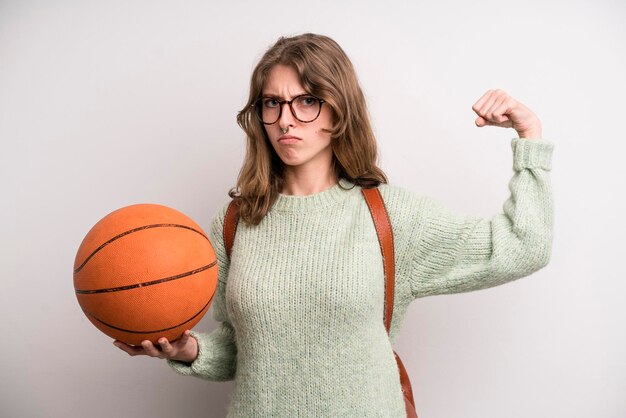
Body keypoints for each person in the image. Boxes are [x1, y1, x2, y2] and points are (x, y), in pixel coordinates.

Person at [114, 33, 554, 417]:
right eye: (272, 103)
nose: (285, 119)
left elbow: (523, 246)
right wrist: (187, 350)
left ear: (338, 110)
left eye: (306, 101)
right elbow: (240, 351)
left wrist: (529, 136)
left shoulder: (390, 217)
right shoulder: (234, 222)